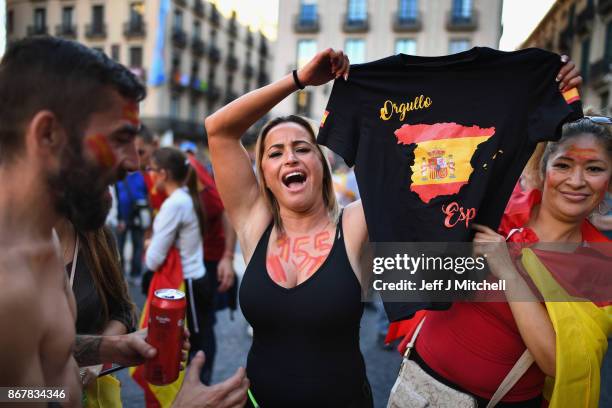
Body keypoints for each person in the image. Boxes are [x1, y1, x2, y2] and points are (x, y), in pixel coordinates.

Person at [0, 36, 247, 407]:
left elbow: (42, 363)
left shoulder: (46, 244)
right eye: (120, 139)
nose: (134, 163)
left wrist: (113, 346)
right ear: (48, 135)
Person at [390, 117, 612, 407]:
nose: (576, 180)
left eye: (594, 168)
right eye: (563, 165)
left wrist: (508, 271)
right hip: (414, 385)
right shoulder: (492, 209)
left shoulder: (600, 266)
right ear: (543, 169)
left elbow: (561, 364)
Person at [206, 49, 375, 407]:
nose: (291, 158)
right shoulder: (254, 223)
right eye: (275, 153)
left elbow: (412, 165)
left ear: (322, 162)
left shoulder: (356, 223)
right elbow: (218, 130)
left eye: (302, 148)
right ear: (264, 174)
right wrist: (298, 80)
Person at [145, 147, 212, 383]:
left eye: (151, 169)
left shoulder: (174, 204)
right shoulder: (186, 196)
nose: (150, 174)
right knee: (199, 341)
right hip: (197, 278)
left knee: (188, 346)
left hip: (187, 284)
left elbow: (153, 258)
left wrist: (149, 244)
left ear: (162, 173)